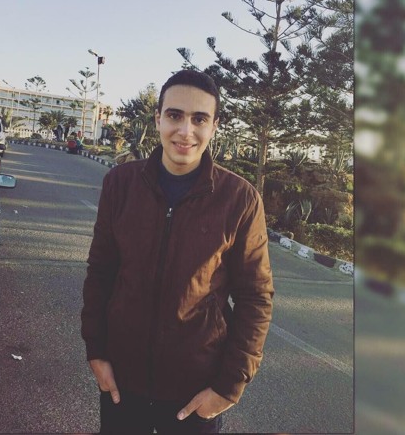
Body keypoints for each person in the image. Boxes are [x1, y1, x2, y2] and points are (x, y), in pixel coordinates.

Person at [81, 70, 274, 434]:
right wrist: (97, 352)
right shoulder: (120, 184)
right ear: (158, 119)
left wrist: (228, 388)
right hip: (122, 383)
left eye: (199, 119)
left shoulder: (240, 200)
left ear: (214, 126)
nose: (185, 131)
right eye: (174, 115)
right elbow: (100, 272)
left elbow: (256, 298)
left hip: (196, 393)